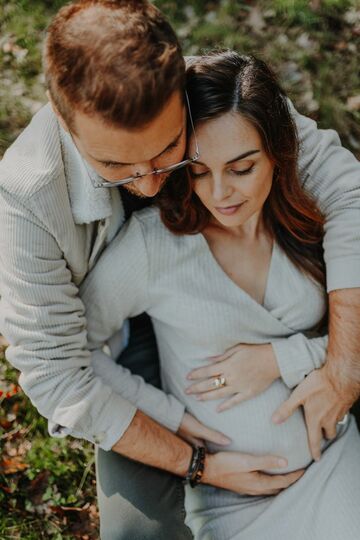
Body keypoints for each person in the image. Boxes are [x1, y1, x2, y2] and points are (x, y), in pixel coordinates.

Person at [0, 1, 359, 538]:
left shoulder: (206, 91)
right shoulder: (25, 197)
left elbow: (344, 189)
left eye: (170, 151)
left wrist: (342, 366)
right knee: (136, 531)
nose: (148, 185)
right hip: (115, 338)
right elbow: (57, 371)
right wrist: (196, 459)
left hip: (244, 295)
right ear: (64, 118)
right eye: (116, 167)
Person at [81, 51, 360, 540]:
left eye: (242, 167)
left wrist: (284, 357)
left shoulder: (310, 219)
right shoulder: (153, 247)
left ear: (276, 151)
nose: (220, 193)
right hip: (231, 502)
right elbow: (76, 352)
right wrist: (172, 416)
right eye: (199, 171)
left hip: (333, 466)